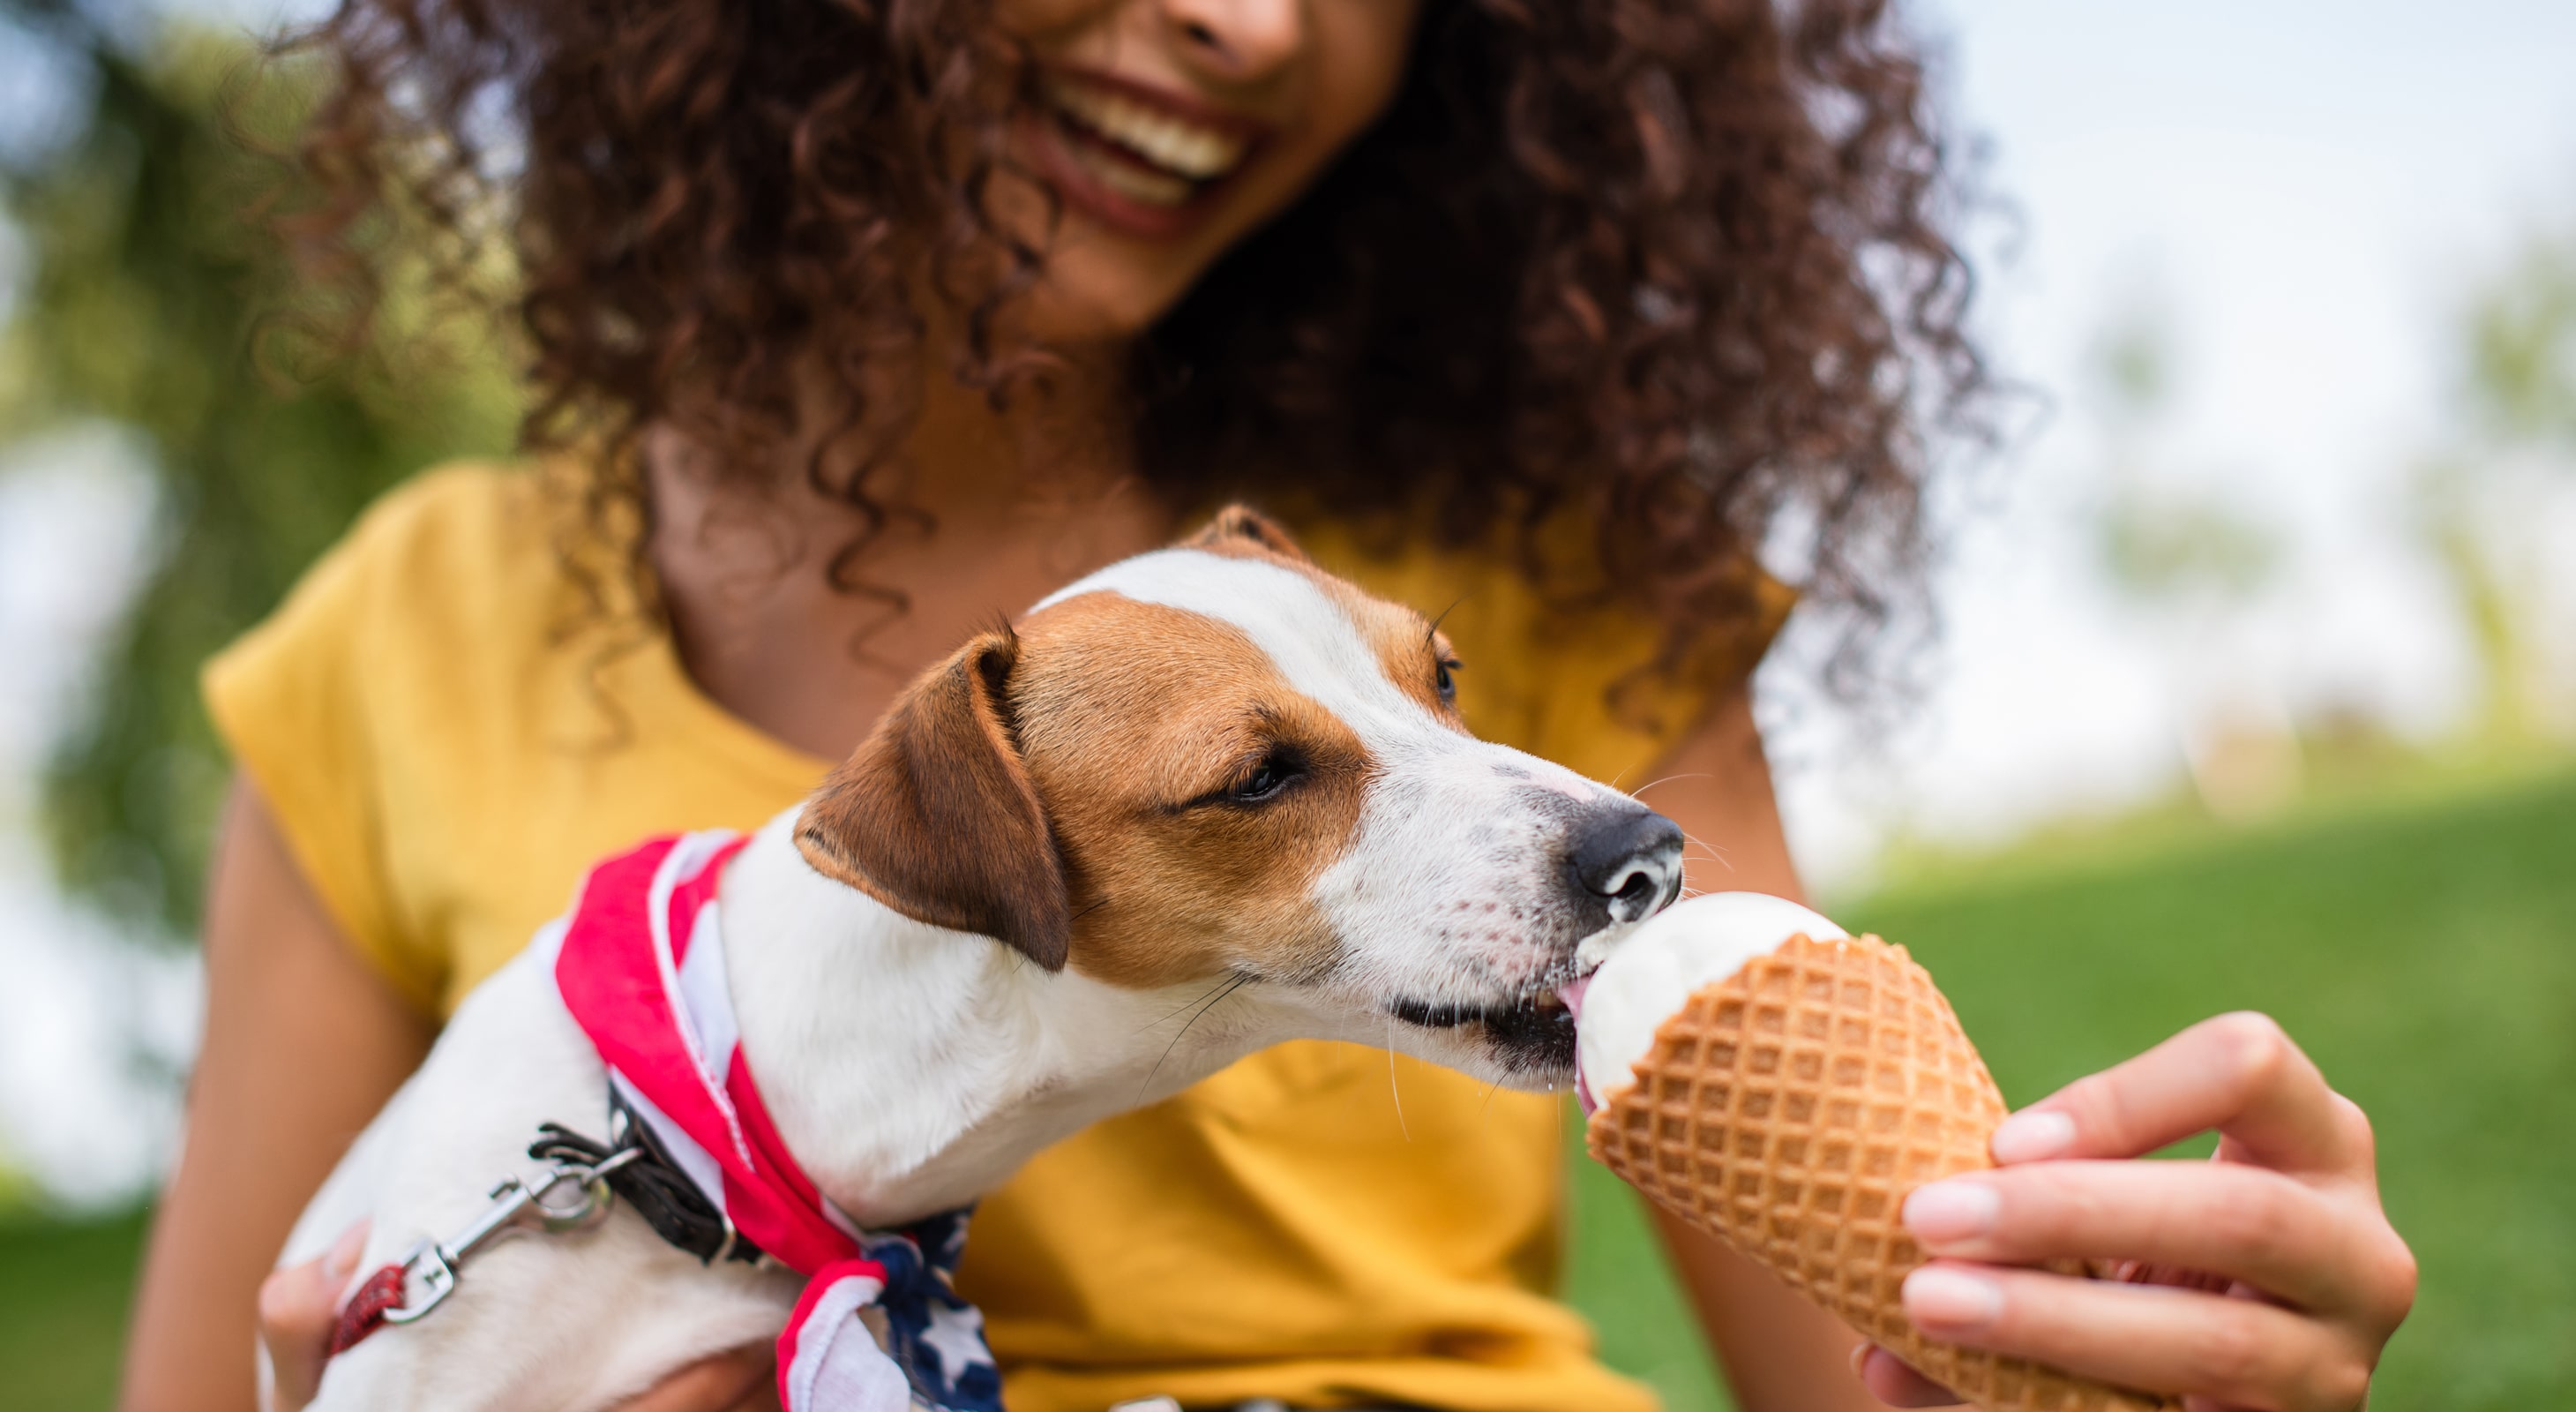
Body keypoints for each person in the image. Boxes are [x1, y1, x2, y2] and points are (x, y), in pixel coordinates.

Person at [117, 1, 2417, 1409]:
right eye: (1265, 774)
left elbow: (1894, 1375)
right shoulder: (401, 638)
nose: (1243, 13)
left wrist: (2118, 1362)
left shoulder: (1541, 527)